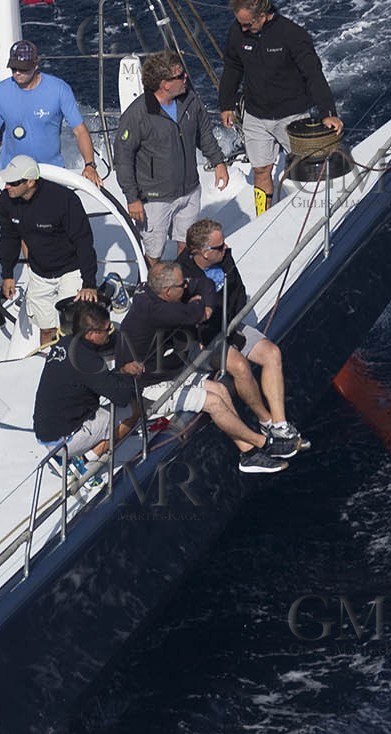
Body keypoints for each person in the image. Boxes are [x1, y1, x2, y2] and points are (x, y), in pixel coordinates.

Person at [116, 262, 296, 473]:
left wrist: (204, 305)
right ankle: (264, 443)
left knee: (219, 389)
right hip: (145, 387)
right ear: (167, 291)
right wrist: (198, 306)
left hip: (164, 370)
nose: (186, 287)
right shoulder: (156, 311)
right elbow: (195, 314)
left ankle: (248, 453)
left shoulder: (154, 290)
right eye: (181, 286)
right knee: (213, 403)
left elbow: (205, 284)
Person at [179, 219, 305, 446]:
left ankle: (280, 425)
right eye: (219, 247)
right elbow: (185, 320)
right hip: (203, 340)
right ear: (203, 253)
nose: (225, 248)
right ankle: (264, 421)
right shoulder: (182, 277)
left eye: (224, 244)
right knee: (239, 365)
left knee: (271, 353)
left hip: (230, 326)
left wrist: (231, 327)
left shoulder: (224, 259)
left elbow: (238, 292)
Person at [219, 0, 342, 215]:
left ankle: (310, 214)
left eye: (247, 25)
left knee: (303, 169)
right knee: (261, 170)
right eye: (240, 24)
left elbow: (313, 74)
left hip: (292, 116)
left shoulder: (292, 35)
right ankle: (263, 217)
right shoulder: (237, 33)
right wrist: (226, 104)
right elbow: (233, 67)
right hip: (255, 116)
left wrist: (328, 112)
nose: (243, 29)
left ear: (263, 15)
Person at [114, 51, 230, 261]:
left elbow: (203, 133)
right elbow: (123, 158)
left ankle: (182, 282)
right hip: (155, 198)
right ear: (164, 84)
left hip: (190, 189)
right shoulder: (137, 115)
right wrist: (133, 198)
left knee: (187, 245)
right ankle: (155, 289)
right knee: (154, 252)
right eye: (180, 76)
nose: (186, 78)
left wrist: (218, 161)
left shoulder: (190, 100)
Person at [0, 155, 98, 345]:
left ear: (31, 181)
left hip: (71, 271)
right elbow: (9, 238)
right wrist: (7, 274)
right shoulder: (6, 201)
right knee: (46, 329)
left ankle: (75, 369)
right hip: (39, 273)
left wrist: (89, 283)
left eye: (13, 182)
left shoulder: (63, 200)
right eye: (6, 181)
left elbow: (83, 241)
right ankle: (51, 367)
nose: (7, 186)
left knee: (72, 330)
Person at [0, 39, 103, 187]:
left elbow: (79, 130)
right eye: (13, 68)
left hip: (50, 173)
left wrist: (90, 165)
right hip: (14, 175)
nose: (17, 73)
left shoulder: (59, 89)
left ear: (36, 64)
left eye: (23, 68)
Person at [33, 302, 142, 457]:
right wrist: (128, 375)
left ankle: (76, 453)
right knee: (133, 409)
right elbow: (121, 397)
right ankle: (86, 462)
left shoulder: (64, 343)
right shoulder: (88, 361)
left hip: (45, 434)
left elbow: (95, 379)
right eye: (107, 329)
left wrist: (121, 371)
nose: (110, 334)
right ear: (91, 334)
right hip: (64, 442)